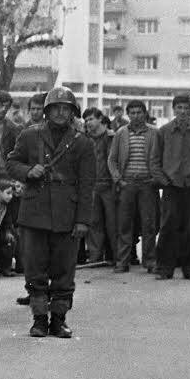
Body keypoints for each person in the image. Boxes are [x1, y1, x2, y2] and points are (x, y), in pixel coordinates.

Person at [6, 87, 94, 338]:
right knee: (34, 268)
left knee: (64, 270)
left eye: (66, 109)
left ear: (72, 113)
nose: (60, 113)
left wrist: (83, 220)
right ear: (46, 111)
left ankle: (59, 319)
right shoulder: (29, 135)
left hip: (68, 215)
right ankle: (39, 319)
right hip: (34, 212)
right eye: (55, 108)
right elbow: (11, 162)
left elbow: (88, 184)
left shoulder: (82, 143)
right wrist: (27, 171)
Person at [150, 94, 190, 281]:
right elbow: (154, 161)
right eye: (178, 107)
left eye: (186, 108)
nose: (182, 111)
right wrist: (163, 180)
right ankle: (164, 268)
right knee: (167, 227)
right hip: (171, 186)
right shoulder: (163, 132)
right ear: (173, 109)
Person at [107, 100, 157, 272]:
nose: (136, 116)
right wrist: (118, 179)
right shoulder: (121, 133)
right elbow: (112, 159)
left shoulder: (154, 133)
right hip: (127, 184)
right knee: (124, 225)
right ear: (128, 115)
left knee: (149, 225)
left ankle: (150, 261)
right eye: (133, 113)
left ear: (145, 113)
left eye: (139, 112)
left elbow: (160, 158)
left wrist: (155, 179)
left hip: (147, 185)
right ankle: (123, 261)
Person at [82, 108, 116, 264]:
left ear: (100, 119)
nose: (88, 123)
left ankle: (117, 257)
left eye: (90, 119)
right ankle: (95, 256)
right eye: (86, 120)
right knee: (93, 223)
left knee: (113, 222)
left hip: (110, 185)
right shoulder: (85, 139)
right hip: (91, 186)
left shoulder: (113, 137)